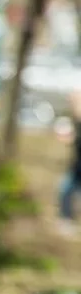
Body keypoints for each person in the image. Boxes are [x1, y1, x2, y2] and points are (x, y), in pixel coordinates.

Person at [58, 91, 81, 237]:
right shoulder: (75, 122)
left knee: (68, 188)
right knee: (67, 188)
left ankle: (66, 219)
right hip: (77, 163)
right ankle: (65, 219)